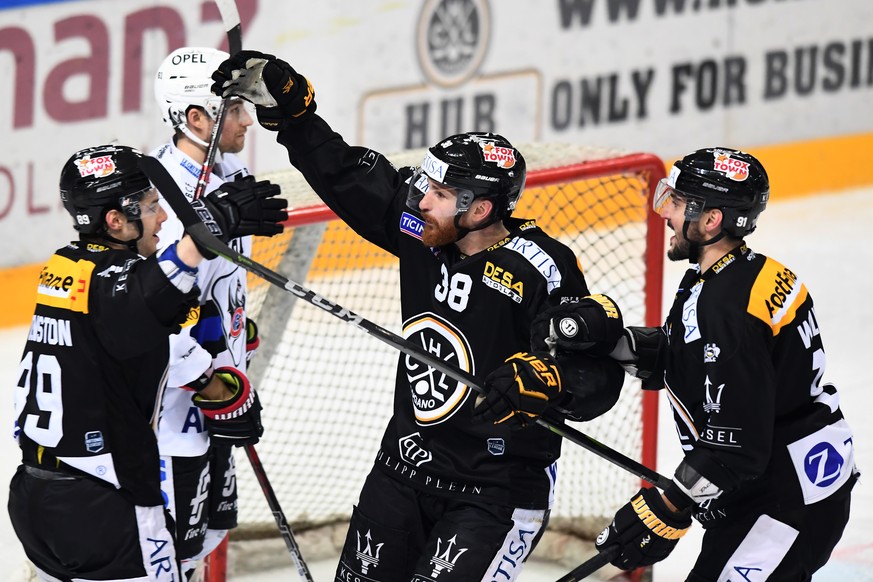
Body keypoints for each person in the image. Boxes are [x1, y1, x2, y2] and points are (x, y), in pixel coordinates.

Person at [209, 51, 626, 581]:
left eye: (441, 193)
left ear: (480, 210)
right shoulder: (420, 230)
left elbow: (600, 375)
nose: (422, 200)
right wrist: (295, 116)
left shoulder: (540, 268)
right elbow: (347, 178)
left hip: (493, 494)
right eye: (425, 187)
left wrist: (547, 381)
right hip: (402, 471)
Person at [532, 148, 859, 580]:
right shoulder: (741, 275)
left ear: (711, 221)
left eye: (678, 203)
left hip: (783, 503)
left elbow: (736, 448)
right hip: (793, 480)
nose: (666, 213)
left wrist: (665, 508)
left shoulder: (726, 311)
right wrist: (611, 344)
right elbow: (694, 359)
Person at [8, 144, 278, 581]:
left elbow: (153, 310)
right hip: (102, 502)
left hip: (33, 497)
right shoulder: (120, 288)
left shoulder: (63, 269)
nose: (163, 218)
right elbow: (148, 294)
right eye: (152, 207)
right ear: (116, 220)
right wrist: (203, 234)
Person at [151, 46, 285, 579]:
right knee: (171, 559)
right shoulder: (161, 198)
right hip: (178, 415)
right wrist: (214, 387)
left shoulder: (230, 169)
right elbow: (152, 319)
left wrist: (237, 335)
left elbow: (217, 288)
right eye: (233, 108)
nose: (247, 118)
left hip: (221, 394)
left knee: (209, 537)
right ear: (196, 118)